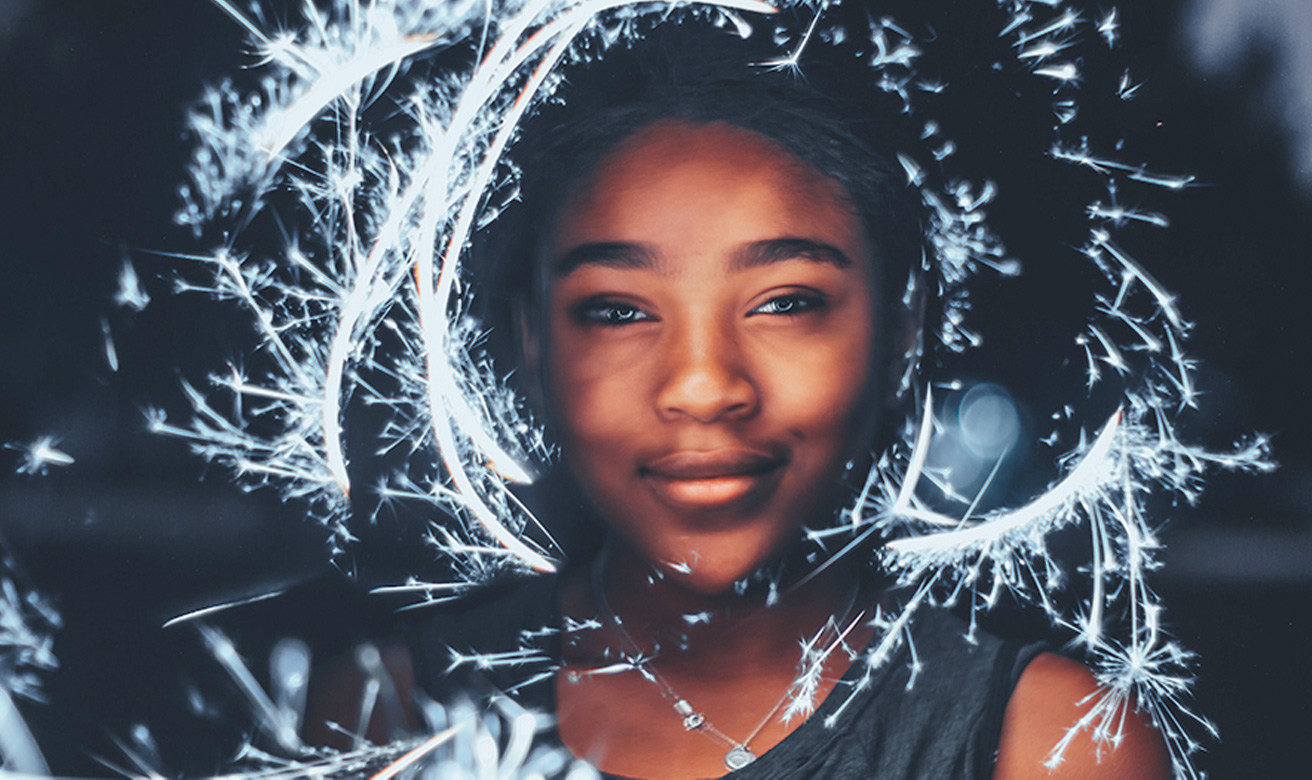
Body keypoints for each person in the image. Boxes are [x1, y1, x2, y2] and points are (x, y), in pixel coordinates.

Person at [306, 23, 1172, 780]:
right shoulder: (390, 718)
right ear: (532, 342)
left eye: (786, 302)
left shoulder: (1053, 746)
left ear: (902, 325)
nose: (703, 386)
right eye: (617, 311)